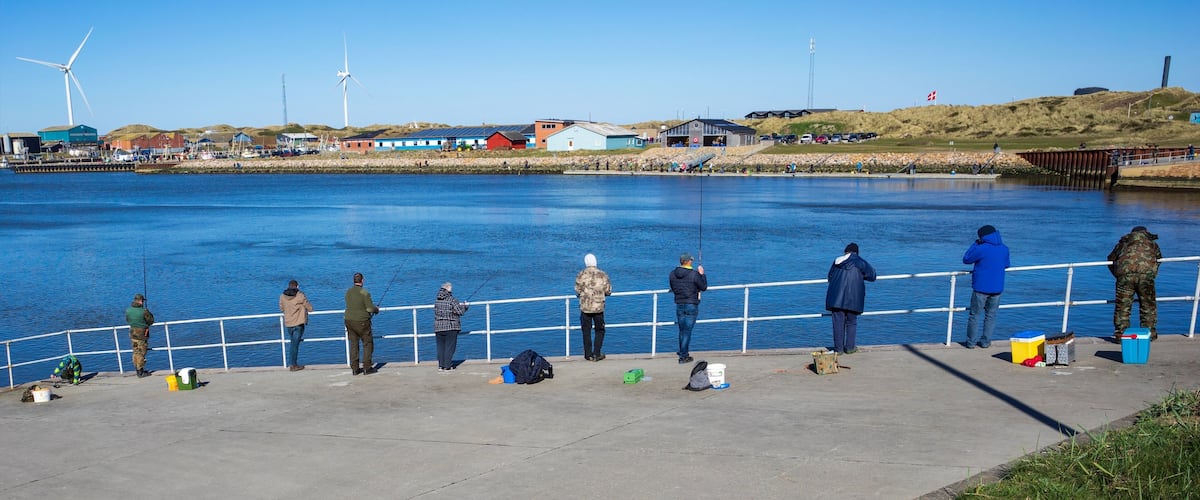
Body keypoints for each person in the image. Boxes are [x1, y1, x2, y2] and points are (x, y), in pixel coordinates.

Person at [1108, 226, 1162, 341]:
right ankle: (1149, 334)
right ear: (1146, 232)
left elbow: (1110, 259)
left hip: (1125, 277)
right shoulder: (1152, 244)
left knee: (1123, 307)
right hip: (1146, 277)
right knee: (1148, 306)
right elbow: (1159, 259)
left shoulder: (1123, 243)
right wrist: (1152, 273)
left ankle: (1121, 335)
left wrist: (1117, 275)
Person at [962, 225, 1010, 349]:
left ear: (981, 236)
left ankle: (971, 343)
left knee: (974, 315)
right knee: (991, 316)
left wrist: (975, 244)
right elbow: (1006, 264)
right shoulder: (1004, 248)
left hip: (981, 287)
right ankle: (985, 342)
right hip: (997, 288)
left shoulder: (981, 248)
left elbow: (966, 259)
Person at [825, 243, 877, 354]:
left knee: (838, 324)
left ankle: (838, 349)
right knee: (851, 322)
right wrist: (860, 275)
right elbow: (873, 275)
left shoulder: (837, 261)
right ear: (856, 252)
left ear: (845, 251)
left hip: (836, 298)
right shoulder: (860, 262)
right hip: (854, 298)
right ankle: (850, 347)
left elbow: (830, 276)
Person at [669, 252, 707, 364]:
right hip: (691, 304)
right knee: (687, 331)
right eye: (691, 260)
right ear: (688, 261)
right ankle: (683, 356)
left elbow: (673, 287)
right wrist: (702, 275)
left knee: (682, 330)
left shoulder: (672, 273)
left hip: (679, 303)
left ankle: (682, 351)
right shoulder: (694, 274)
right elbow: (703, 287)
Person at [575, 253, 612, 361]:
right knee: (599, 330)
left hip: (585, 307)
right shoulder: (602, 274)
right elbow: (608, 291)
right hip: (598, 307)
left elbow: (577, 290)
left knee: (586, 331)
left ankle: (588, 354)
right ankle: (597, 353)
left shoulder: (581, 274)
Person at [344, 272, 379, 375]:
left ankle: (355, 369)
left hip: (349, 320)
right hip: (362, 321)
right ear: (362, 280)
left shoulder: (348, 292)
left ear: (353, 281)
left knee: (354, 344)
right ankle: (367, 367)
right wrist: (376, 309)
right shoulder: (365, 292)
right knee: (367, 343)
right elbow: (369, 308)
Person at [279, 279, 313, 371]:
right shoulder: (300, 295)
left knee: (293, 343)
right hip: (298, 323)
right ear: (297, 286)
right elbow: (309, 307)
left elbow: (281, 308)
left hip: (288, 323)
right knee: (295, 344)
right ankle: (293, 365)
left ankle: (292, 364)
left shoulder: (282, 296)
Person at [433, 282, 469, 371]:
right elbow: (460, 312)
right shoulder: (452, 300)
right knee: (450, 347)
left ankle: (441, 365)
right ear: (448, 289)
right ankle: (447, 365)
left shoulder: (437, 300)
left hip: (438, 327)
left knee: (440, 347)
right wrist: (465, 306)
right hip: (451, 327)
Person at [125, 293, 153, 378]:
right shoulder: (144, 311)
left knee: (135, 351)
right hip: (142, 335)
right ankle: (140, 371)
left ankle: (137, 370)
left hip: (133, 334)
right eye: (143, 301)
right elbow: (151, 321)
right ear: (141, 301)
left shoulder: (128, 310)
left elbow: (128, 320)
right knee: (141, 352)